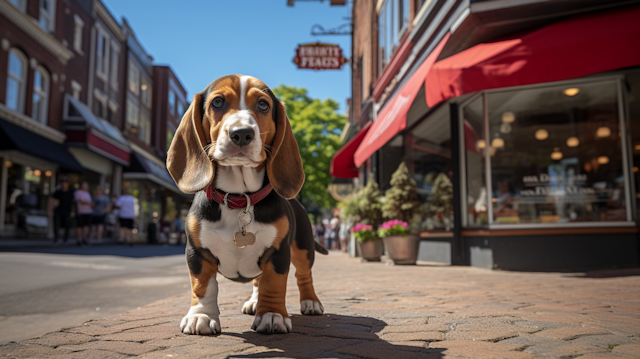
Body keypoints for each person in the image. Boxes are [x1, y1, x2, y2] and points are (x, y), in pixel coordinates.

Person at [49, 177, 74, 244]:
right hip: (58, 210)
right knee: (56, 224)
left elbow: (73, 202)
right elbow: (51, 200)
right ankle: (56, 238)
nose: (64, 184)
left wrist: (73, 211)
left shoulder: (70, 192)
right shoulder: (57, 191)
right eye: (63, 183)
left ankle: (65, 239)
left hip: (67, 211)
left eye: (65, 183)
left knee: (67, 225)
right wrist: (50, 209)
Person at [74, 182, 93, 246]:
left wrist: (91, 204)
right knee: (79, 226)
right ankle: (79, 240)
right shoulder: (78, 192)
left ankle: (84, 239)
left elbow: (90, 202)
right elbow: (81, 202)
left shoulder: (87, 193)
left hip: (88, 212)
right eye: (85, 186)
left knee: (86, 226)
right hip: (80, 212)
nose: (86, 187)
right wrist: (89, 203)